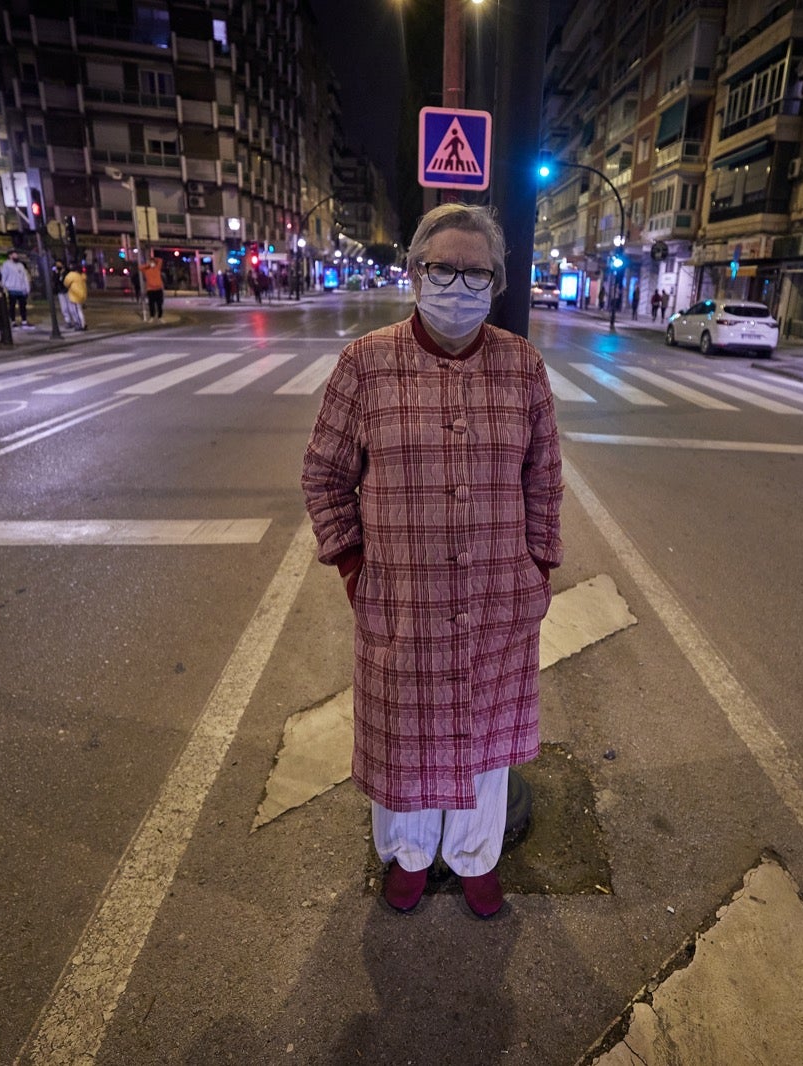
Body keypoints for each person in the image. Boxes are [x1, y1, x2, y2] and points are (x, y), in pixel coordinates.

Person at [302, 203, 564, 920]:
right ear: (414, 273)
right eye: (441, 268)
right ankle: (409, 859)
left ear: (497, 282)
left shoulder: (522, 365)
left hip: (499, 599)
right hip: (402, 599)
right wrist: (354, 563)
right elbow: (325, 474)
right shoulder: (366, 363)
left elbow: (543, 477)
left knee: (487, 743)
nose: (458, 285)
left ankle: (477, 859)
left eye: (475, 271)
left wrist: (540, 566)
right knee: (404, 740)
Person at [1, 250, 33, 329]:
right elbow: (4, 276)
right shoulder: (6, 265)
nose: (16, 256)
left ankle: (24, 321)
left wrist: (26, 287)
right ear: (10, 256)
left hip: (21, 289)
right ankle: (13, 321)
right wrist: (4, 286)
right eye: (14, 255)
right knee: (12, 306)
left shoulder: (20, 265)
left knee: (23, 306)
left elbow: (25, 277)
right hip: (12, 288)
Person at [62, 261, 87, 330]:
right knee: (79, 310)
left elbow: (66, 283)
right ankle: (82, 323)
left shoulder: (72, 275)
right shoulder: (82, 275)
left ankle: (81, 325)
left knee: (76, 311)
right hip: (82, 294)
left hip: (75, 295)